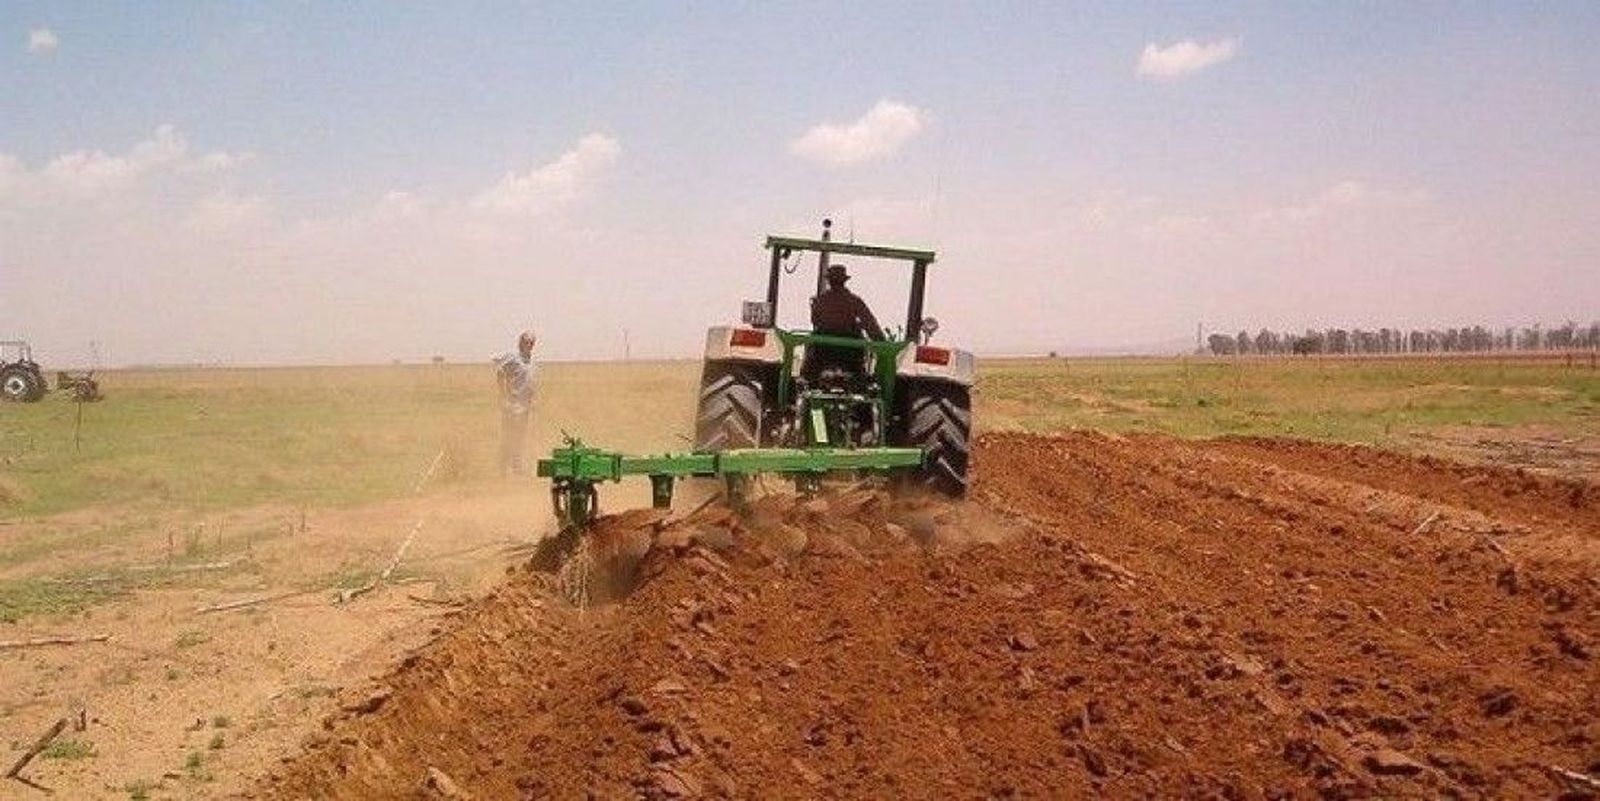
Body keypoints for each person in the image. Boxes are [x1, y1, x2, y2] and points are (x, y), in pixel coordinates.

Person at [807, 264, 884, 379]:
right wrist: (881, 343)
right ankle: (861, 381)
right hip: (850, 352)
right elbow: (870, 324)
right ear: (844, 281)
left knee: (809, 366)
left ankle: (807, 380)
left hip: (823, 351)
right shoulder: (854, 300)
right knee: (861, 374)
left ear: (829, 281)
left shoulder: (820, 301)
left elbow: (815, 321)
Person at [495, 330, 537, 476]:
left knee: (520, 437)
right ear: (520, 343)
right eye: (526, 342)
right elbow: (500, 371)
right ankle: (502, 469)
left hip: (525, 407)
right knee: (508, 437)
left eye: (532, 343)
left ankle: (516, 467)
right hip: (513, 406)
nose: (529, 345)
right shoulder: (513, 357)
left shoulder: (530, 359)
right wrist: (504, 397)